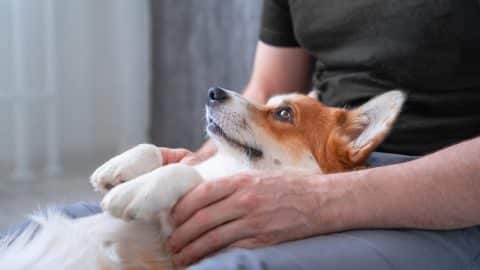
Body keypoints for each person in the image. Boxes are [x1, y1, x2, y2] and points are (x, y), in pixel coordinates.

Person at [3, 1, 480, 269]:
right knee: (40, 238)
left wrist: (320, 202)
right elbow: (269, 90)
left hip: (444, 202)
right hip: (303, 161)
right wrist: (199, 165)